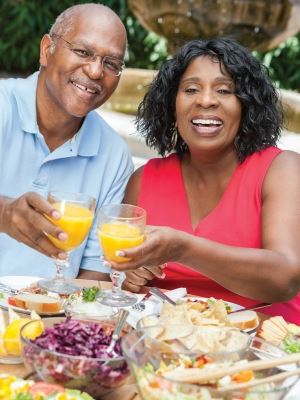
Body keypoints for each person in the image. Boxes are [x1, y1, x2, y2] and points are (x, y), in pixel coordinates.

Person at [106, 37, 300, 323]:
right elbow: (125, 280)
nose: (206, 100)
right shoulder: (144, 180)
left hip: (265, 349)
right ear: (172, 105)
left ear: (246, 105)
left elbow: (286, 278)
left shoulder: (281, 169)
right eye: (191, 89)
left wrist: (184, 249)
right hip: (167, 346)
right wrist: (132, 275)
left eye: (224, 90)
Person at [0, 3, 134, 280]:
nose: (96, 71)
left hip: (49, 317)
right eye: (83, 52)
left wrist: (63, 322)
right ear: (45, 50)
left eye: (111, 63)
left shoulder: (114, 155)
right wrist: (5, 213)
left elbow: (95, 272)